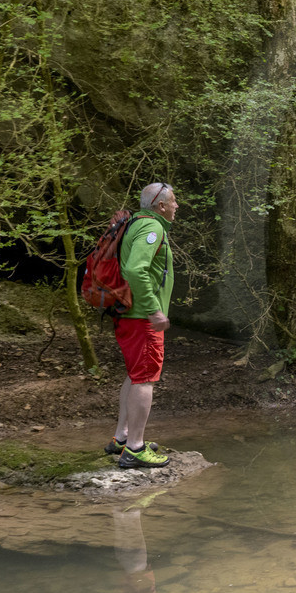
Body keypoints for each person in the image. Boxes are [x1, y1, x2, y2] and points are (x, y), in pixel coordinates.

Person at [106, 182, 177, 468]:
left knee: (135, 375)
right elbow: (135, 269)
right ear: (161, 206)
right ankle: (135, 448)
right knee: (145, 378)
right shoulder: (152, 228)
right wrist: (153, 311)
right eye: (174, 201)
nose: (176, 206)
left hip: (127, 314)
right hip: (141, 318)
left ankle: (122, 437)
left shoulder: (134, 222)